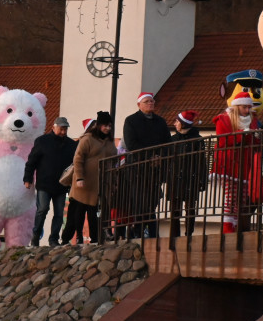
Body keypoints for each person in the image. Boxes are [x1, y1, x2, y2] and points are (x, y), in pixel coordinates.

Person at [122, 93, 172, 238]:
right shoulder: (131, 121)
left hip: (155, 168)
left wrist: (160, 157)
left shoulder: (160, 121)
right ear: (139, 105)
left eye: (152, 101)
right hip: (137, 167)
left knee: (153, 200)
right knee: (140, 200)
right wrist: (150, 157)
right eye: (147, 101)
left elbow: (167, 142)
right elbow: (132, 144)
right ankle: (140, 231)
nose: (150, 103)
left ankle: (143, 231)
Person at [62, 112, 117, 245]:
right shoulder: (87, 139)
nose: (108, 128)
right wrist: (79, 178)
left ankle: (95, 239)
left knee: (95, 215)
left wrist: (113, 180)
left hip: (99, 184)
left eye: (109, 125)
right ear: (98, 125)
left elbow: (114, 159)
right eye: (105, 125)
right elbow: (78, 159)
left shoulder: (109, 142)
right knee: (76, 215)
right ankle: (66, 239)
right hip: (83, 184)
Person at [213, 93, 263, 233]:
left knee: (242, 198)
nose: (247, 110)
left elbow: (255, 144)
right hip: (229, 162)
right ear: (236, 107)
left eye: (249, 107)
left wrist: (256, 137)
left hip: (245, 163)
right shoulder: (223, 119)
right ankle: (227, 226)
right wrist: (242, 133)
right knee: (232, 196)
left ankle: (235, 225)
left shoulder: (253, 120)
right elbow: (223, 141)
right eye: (244, 107)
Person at [24, 117, 77, 247]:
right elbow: (31, 162)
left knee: (59, 214)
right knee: (42, 209)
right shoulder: (42, 141)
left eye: (65, 129)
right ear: (54, 127)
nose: (63, 132)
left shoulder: (71, 145)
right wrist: (28, 178)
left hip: (61, 185)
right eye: (61, 129)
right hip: (44, 183)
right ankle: (35, 236)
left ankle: (53, 239)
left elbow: (75, 164)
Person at [169, 111, 207, 238]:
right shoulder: (173, 139)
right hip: (175, 178)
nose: (174, 124)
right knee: (175, 209)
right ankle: (175, 236)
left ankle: (188, 234)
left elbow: (202, 161)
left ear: (183, 124)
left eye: (177, 121)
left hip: (191, 178)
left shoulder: (197, 140)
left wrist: (202, 180)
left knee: (190, 208)